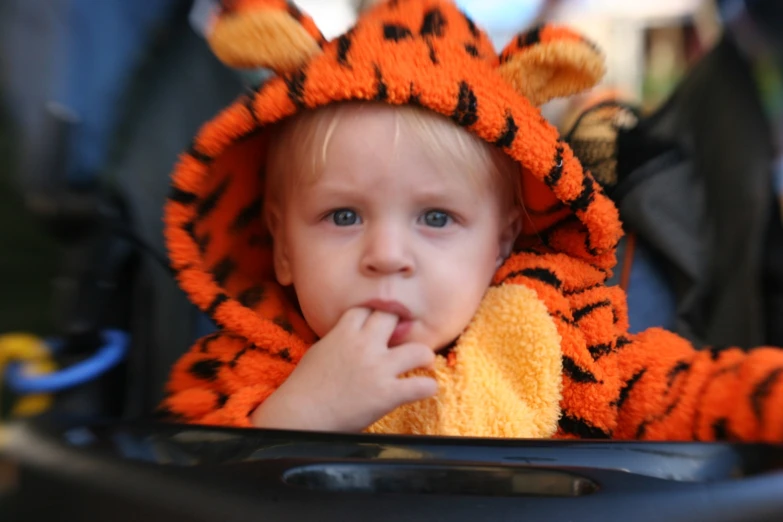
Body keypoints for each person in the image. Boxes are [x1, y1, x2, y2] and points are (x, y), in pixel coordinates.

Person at [159, 0, 783, 441]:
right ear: (282, 245)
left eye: (436, 217)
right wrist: (300, 415)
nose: (387, 255)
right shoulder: (248, 366)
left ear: (501, 239)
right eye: (342, 215)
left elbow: (689, 394)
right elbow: (175, 485)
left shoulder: (555, 344)